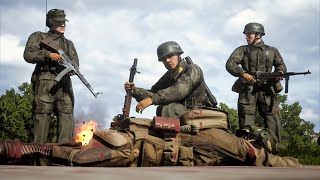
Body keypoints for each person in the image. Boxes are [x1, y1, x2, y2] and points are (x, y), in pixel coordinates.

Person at [225, 22, 286, 153]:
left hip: (267, 89)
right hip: (248, 89)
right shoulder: (242, 50)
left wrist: (280, 73)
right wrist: (243, 73)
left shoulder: (272, 51)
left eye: (249, 34)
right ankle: (247, 151)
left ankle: (274, 150)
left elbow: (281, 66)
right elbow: (230, 64)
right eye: (246, 34)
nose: (246, 37)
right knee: (246, 118)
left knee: (272, 118)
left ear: (258, 35)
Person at [23, 9, 79, 143]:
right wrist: (48, 55)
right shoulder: (39, 37)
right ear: (50, 22)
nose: (63, 24)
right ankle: (37, 153)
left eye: (64, 22)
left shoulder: (68, 44)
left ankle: (63, 155)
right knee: (42, 114)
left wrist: (73, 69)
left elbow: (76, 63)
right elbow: (28, 55)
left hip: (64, 83)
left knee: (66, 114)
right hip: (45, 81)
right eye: (59, 21)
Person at [125, 41, 212, 118]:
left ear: (178, 55)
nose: (167, 60)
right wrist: (135, 91)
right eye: (163, 59)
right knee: (162, 109)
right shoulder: (169, 75)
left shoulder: (193, 69)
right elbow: (154, 92)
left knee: (170, 108)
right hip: (181, 113)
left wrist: (153, 99)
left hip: (196, 112)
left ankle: (171, 136)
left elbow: (180, 90)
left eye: (170, 56)